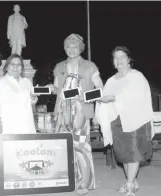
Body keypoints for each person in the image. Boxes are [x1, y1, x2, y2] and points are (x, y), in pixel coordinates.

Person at [47, 34, 104, 195]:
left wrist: (83, 97)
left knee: (81, 148)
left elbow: (100, 90)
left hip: (81, 112)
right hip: (62, 113)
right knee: (63, 146)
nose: (71, 50)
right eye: (68, 47)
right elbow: (58, 90)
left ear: (81, 48)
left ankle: (85, 183)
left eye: (75, 46)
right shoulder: (59, 66)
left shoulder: (89, 65)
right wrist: (52, 88)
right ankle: (65, 180)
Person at [96, 46, 153, 196]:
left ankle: (129, 186)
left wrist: (114, 98)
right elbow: (105, 96)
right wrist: (100, 100)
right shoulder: (110, 80)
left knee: (133, 154)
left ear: (129, 60)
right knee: (123, 155)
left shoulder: (136, 76)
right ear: (113, 62)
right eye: (116, 57)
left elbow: (136, 95)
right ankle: (132, 182)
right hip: (117, 121)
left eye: (122, 57)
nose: (119, 60)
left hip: (135, 120)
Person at [0, 54, 37, 138]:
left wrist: (33, 97)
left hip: (26, 124)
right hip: (8, 125)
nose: (15, 67)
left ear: (21, 68)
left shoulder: (27, 82)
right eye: (12, 64)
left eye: (18, 64)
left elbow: (31, 102)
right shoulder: (0, 83)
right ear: (7, 67)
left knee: (26, 149)